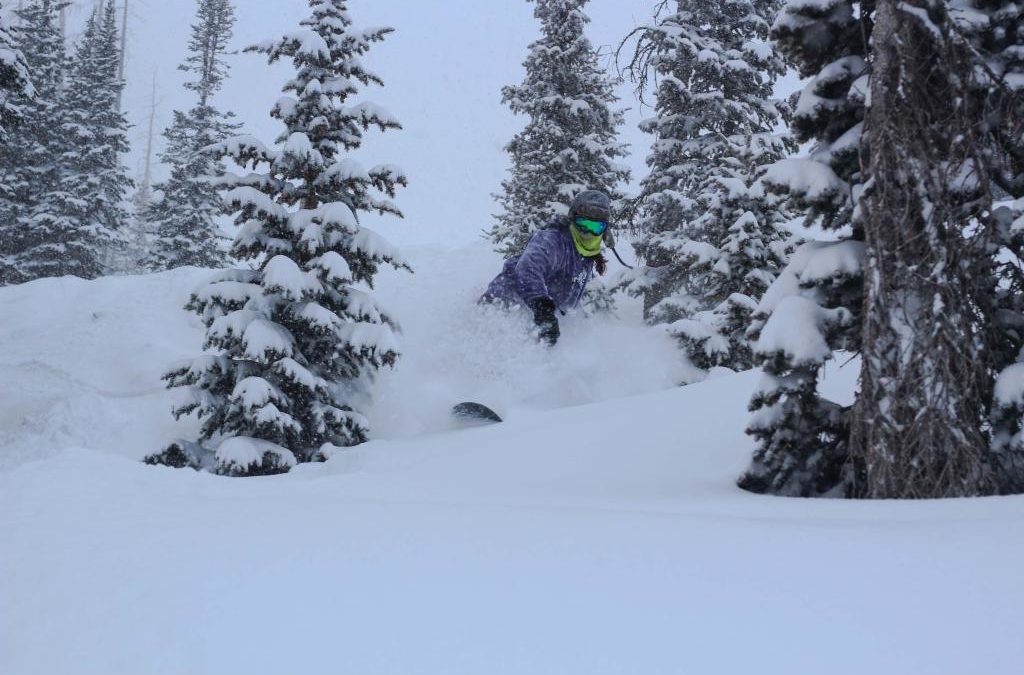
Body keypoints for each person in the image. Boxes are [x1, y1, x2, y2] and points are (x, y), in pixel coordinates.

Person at [480, 190, 612, 346]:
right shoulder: (553, 240)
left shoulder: (585, 254)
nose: (589, 232)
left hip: (530, 319)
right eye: (584, 224)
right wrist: (543, 309)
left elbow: (567, 296)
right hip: (501, 309)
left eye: (596, 227)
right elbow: (528, 269)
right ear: (572, 218)